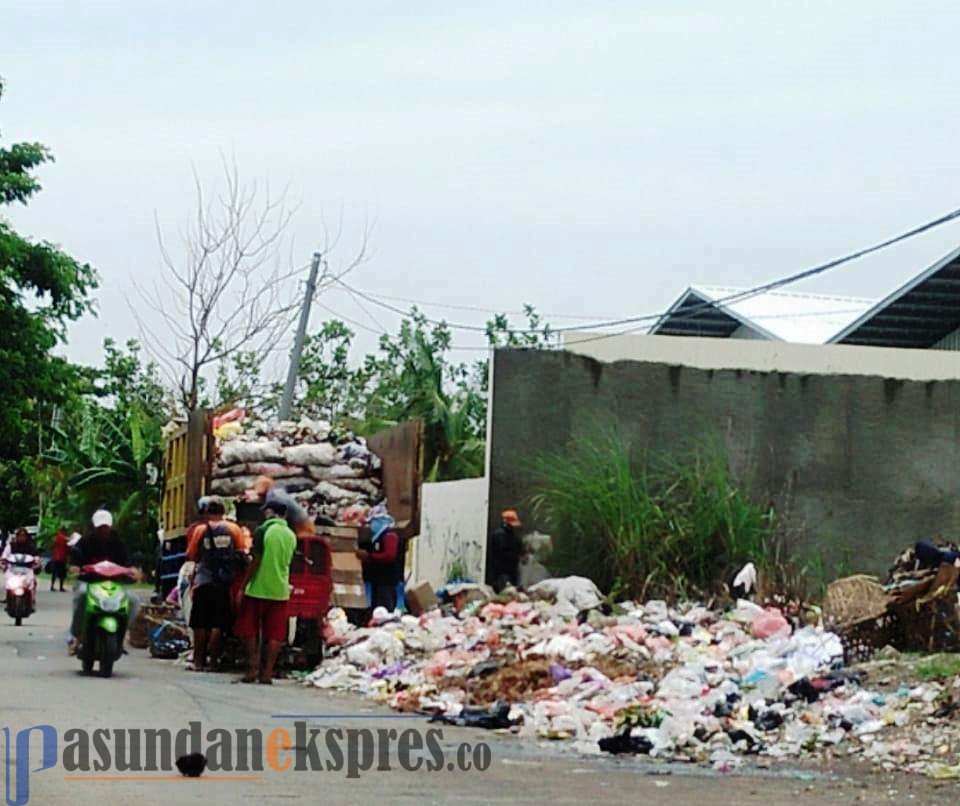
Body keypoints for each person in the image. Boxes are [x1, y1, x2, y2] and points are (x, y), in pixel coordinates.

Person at [233, 500, 296, 684]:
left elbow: (256, 560)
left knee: (249, 629)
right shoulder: (291, 535)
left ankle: (252, 669)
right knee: (275, 634)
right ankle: (267, 673)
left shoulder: (262, 531)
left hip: (258, 588)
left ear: (270, 512)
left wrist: (244, 585)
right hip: (280, 590)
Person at [185, 499, 245, 671]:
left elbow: (192, 554)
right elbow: (241, 552)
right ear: (223, 512)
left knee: (200, 623)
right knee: (218, 623)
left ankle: (198, 662)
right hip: (223, 582)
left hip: (203, 580)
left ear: (207, 513)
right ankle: (213, 662)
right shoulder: (234, 529)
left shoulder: (200, 530)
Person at [68, 510, 136, 654]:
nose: (103, 531)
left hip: (113, 584)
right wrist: (75, 568)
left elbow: (128, 561)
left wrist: (132, 570)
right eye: (100, 527)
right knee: (81, 594)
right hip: (90, 583)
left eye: (106, 527)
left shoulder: (118, 542)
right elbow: (75, 559)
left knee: (133, 600)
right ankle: (77, 636)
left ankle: (122, 634)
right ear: (95, 527)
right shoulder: (85, 541)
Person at [357, 513, 405, 612]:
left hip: (387, 580)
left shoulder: (389, 536)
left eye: (374, 522)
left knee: (385, 606)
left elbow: (389, 555)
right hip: (378, 580)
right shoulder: (377, 537)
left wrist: (369, 556)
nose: (372, 525)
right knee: (378, 606)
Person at [486, 509, 523, 593]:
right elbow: (503, 554)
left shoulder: (511, 536)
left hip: (509, 573)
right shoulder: (500, 536)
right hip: (502, 574)